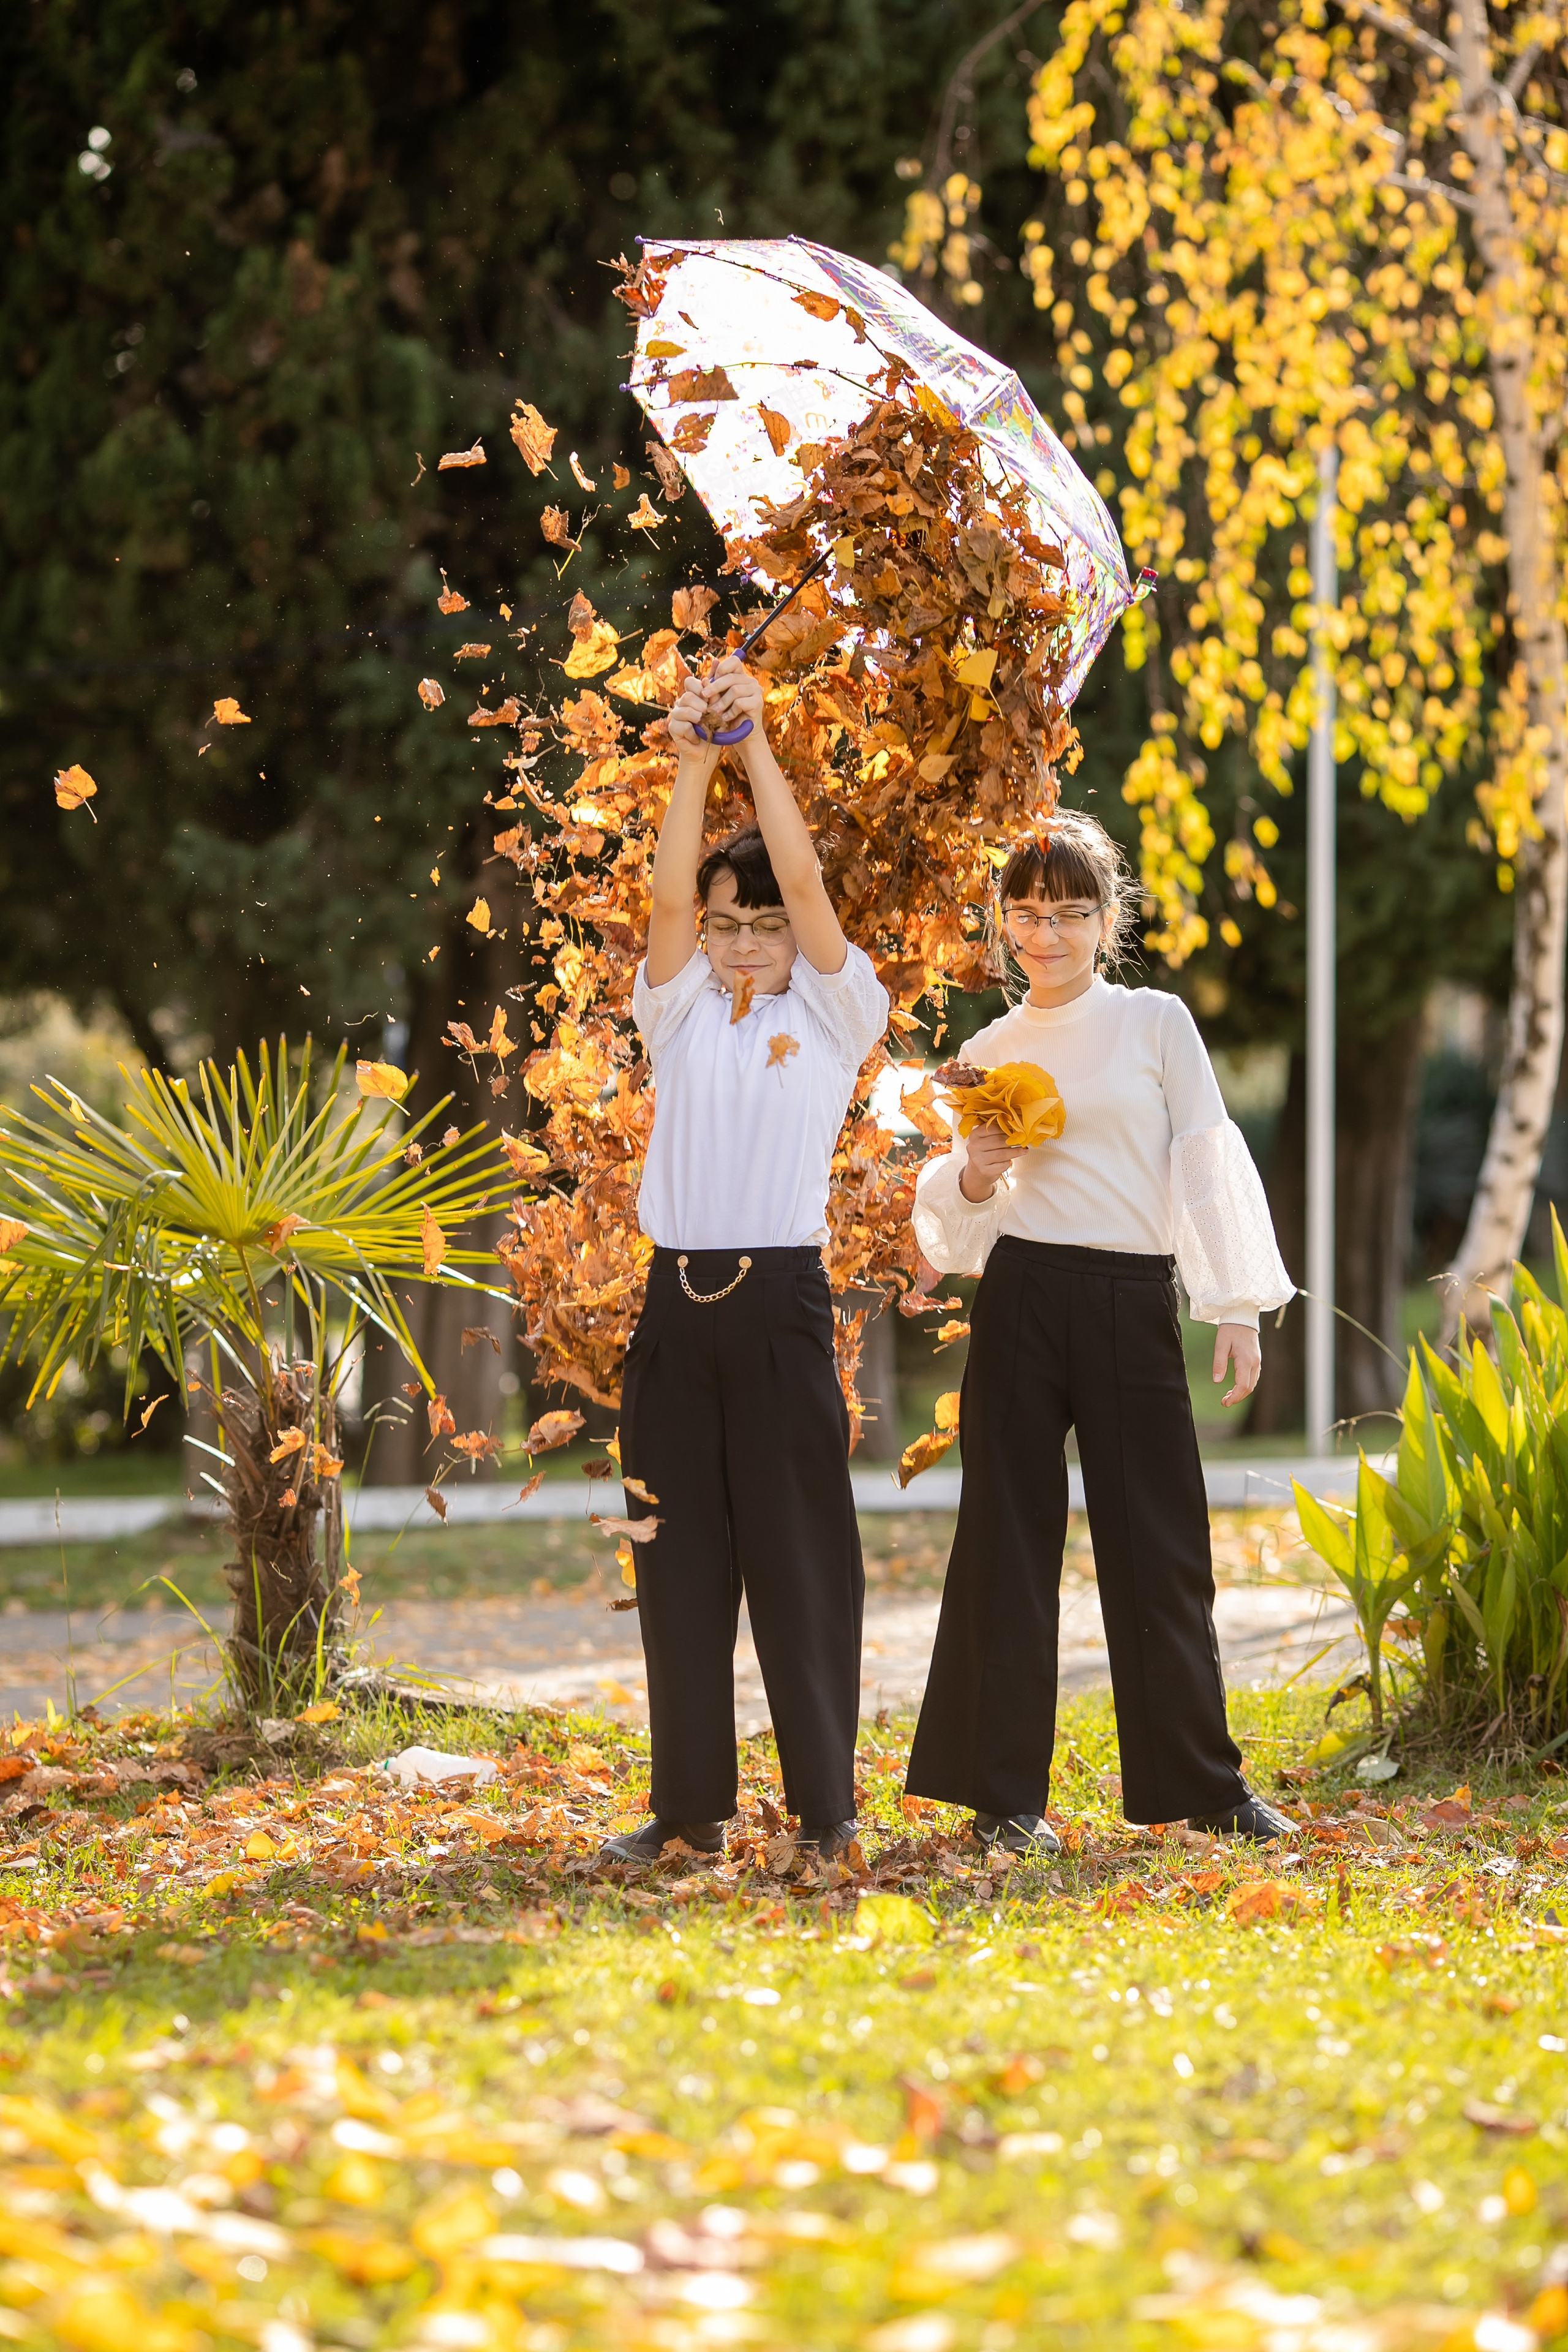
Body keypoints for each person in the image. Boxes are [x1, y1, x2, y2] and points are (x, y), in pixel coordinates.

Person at [904, 811, 1296, 1854]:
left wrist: (1236, 1307)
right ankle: (1002, 1802)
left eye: (1071, 912)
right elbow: (955, 1225)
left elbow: (1204, 1161)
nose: (1048, 933)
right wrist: (975, 1169)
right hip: (1024, 1298)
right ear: (1004, 923)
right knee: (1004, 1546)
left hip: (1133, 1300)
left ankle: (1206, 1788)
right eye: (1027, 913)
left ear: (1104, 918)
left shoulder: (1157, 1023)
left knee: (1159, 1545)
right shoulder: (986, 1051)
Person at [601, 652, 890, 1868]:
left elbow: (810, 879)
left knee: (797, 1565)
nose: (741, 942)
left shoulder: (833, 1013)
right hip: (672, 1313)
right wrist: (688, 759)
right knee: (675, 1565)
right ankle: (687, 1811)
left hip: (776, 1310)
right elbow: (663, 906)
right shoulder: (671, 1010)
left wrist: (756, 745)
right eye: (728, 922)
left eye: (763, 923)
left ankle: (827, 1815)